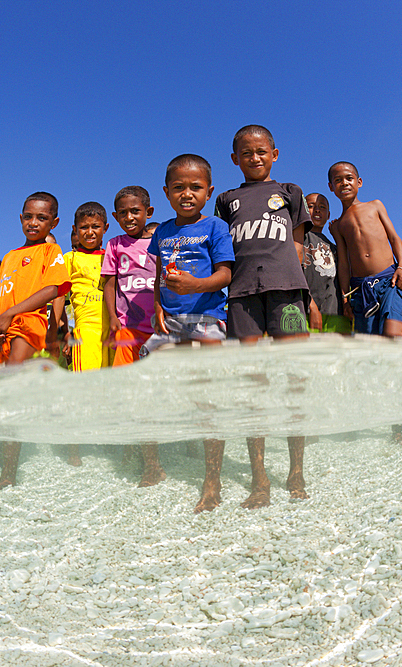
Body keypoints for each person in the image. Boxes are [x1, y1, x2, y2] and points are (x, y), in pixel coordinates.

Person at [213, 125, 312, 511]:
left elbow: (299, 242)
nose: (254, 158)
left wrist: (295, 281)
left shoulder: (290, 192)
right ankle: (259, 478)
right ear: (235, 159)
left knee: (294, 382)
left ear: (274, 153)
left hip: (287, 292)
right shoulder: (227, 200)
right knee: (253, 386)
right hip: (241, 296)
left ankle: (296, 471)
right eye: (246, 153)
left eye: (261, 151)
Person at [145, 154, 234, 511]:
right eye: (178, 188)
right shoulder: (163, 232)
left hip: (206, 319)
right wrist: (157, 309)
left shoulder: (215, 227)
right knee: (144, 384)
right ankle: (152, 465)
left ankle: (211, 479)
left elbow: (226, 275)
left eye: (195, 187)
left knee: (207, 396)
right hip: (170, 323)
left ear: (208, 191)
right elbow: (157, 279)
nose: (187, 194)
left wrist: (195, 284)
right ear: (166, 192)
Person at [0, 192, 72, 497]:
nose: (33, 222)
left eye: (42, 218)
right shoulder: (10, 255)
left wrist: (13, 313)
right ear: (20, 218)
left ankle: (8, 473)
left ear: (53, 221)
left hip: (27, 326)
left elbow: (57, 287)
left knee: (12, 389)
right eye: (28, 216)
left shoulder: (49, 252)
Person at [329, 161, 402, 443]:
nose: (344, 183)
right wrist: (345, 296)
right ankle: (397, 423)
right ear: (331, 187)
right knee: (378, 359)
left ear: (359, 181)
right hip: (361, 291)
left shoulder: (375, 205)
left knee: (394, 337)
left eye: (349, 178)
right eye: (338, 180)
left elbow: (394, 237)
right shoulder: (337, 225)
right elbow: (343, 262)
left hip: (390, 281)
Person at [103, 186, 156, 367]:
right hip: (127, 326)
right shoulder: (115, 244)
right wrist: (112, 316)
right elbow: (110, 285)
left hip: (158, 327)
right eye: (122, 213)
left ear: (148, 212)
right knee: (124, 377)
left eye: (135, 211)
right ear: (116, 217)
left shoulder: (159, 243)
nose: (129, 218)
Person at [64, 202, 112, 372]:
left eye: (95, 226)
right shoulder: (70, 259)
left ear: (105, 228)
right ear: (75, 229)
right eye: (84, 227)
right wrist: (64, 331)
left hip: (113, 329)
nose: (89, 232)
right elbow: (58, 297)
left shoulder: (112, 256)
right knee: (87, 382)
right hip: (85, 332)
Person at [303, 193, 351, 333]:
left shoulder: (334, 247)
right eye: (311, 206)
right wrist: (311, 306)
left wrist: (337, 237)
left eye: (322, 207)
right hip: (306, 311)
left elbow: (344, 269)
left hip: (335, 312)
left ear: (328, 215)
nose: (317, 210)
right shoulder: (299, 238)